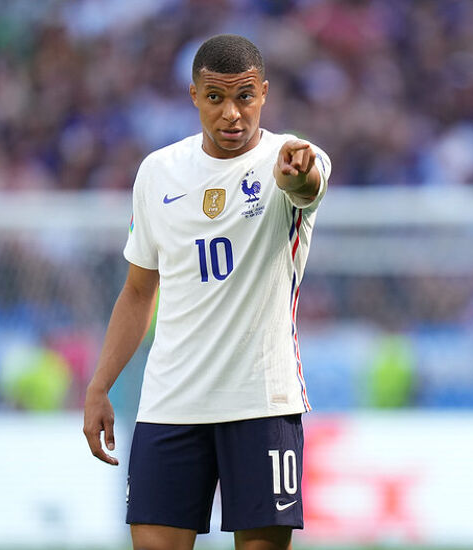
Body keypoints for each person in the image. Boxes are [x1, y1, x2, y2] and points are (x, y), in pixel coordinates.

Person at [82, 34, 331, 550]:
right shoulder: (157, 172)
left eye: (244, 96)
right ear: (194, 96)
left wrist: (297, 177)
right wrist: (100, 384)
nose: (231, 113)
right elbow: (137, 291)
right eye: (215, 98)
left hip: (261, 402)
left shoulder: (291, 157)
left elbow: (308, 185)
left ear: (264, 92)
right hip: (170, 402)